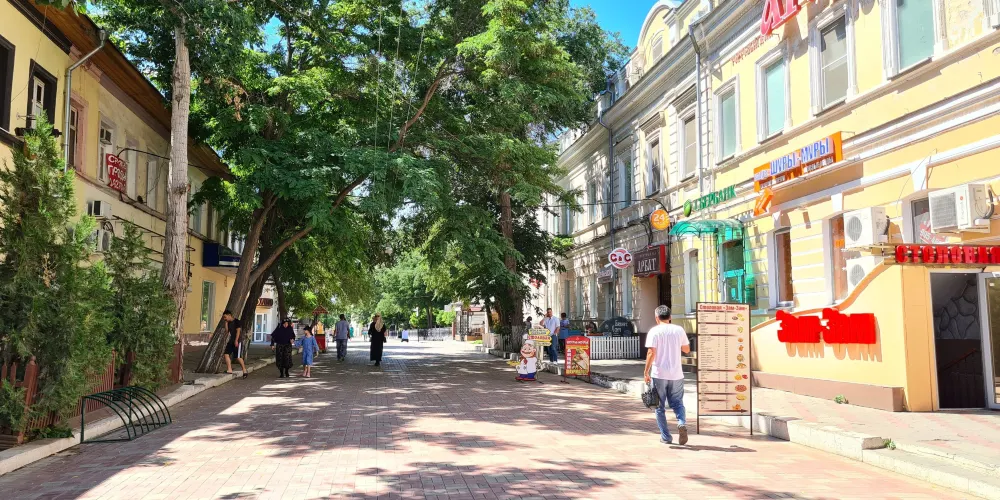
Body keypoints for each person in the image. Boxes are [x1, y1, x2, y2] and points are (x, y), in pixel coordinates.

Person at [643, 305, 691, 446]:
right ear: (670, 317)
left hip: (659, 374)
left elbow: (651, 353)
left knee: (659, 406)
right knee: (678, 403)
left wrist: (646, 372)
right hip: (676, 373)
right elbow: (686, 349)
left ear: (656, 318)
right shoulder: (679, 330)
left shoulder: (654, 331)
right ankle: (681, 423)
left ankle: (666, 437)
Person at [223, 310, 249, 378]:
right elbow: (227, 331)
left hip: (238, 341)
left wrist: (236, 340)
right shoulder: (228, 322)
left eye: (225, 317)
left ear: (229, 315)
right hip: (231, 341)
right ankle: (229, 369)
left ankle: (244, 370)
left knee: (238, 357)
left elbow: (238, 331)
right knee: (226, 354)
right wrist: (226, 323)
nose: (224, 318)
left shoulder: (237, 321)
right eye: (224, 317)